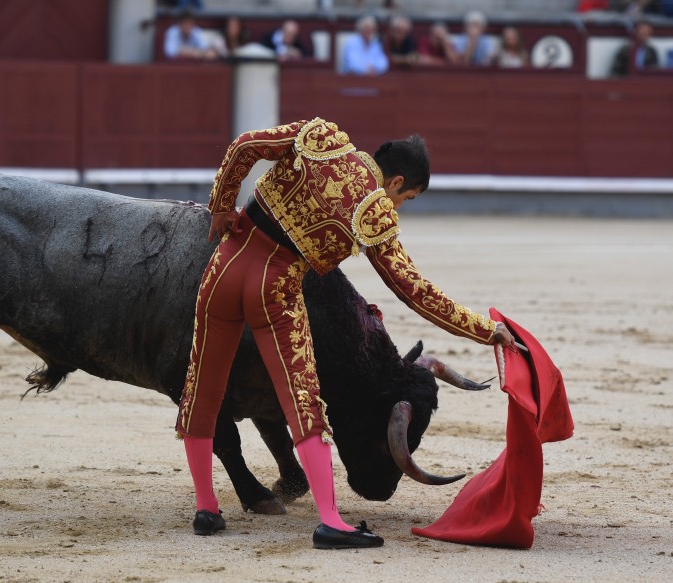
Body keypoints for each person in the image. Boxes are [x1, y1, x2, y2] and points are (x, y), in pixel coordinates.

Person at [175, 118, 514, 550]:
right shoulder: (374, 212)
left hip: (223, 266)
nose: (399, 206)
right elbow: (415, 292)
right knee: (303, 400)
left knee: (202, 390)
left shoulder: (322, 137)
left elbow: (245, 145)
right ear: (394, 181)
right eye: (405, 197)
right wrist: (487, 331)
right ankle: (331, 521)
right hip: (273, 286)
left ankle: (206, 509)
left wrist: (222, 205)